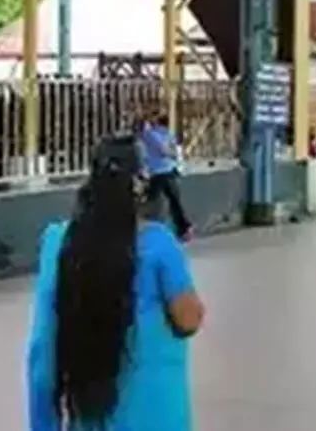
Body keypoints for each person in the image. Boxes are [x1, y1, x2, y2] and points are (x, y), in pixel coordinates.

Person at [27, 134, 204, 431]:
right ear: (140, 184)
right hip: (157, 417)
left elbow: (42, 352)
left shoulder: (59, 243)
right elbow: (188, 320)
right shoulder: (159, 245)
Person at [140, 110, 193, 240]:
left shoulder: (150, 134)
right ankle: (184, 228)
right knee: (174, 201)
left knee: (150, 201)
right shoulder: (167, 134)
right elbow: (173, 150)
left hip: (158, 173)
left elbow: (163, 150)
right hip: (168, 171)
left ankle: (146, 228)